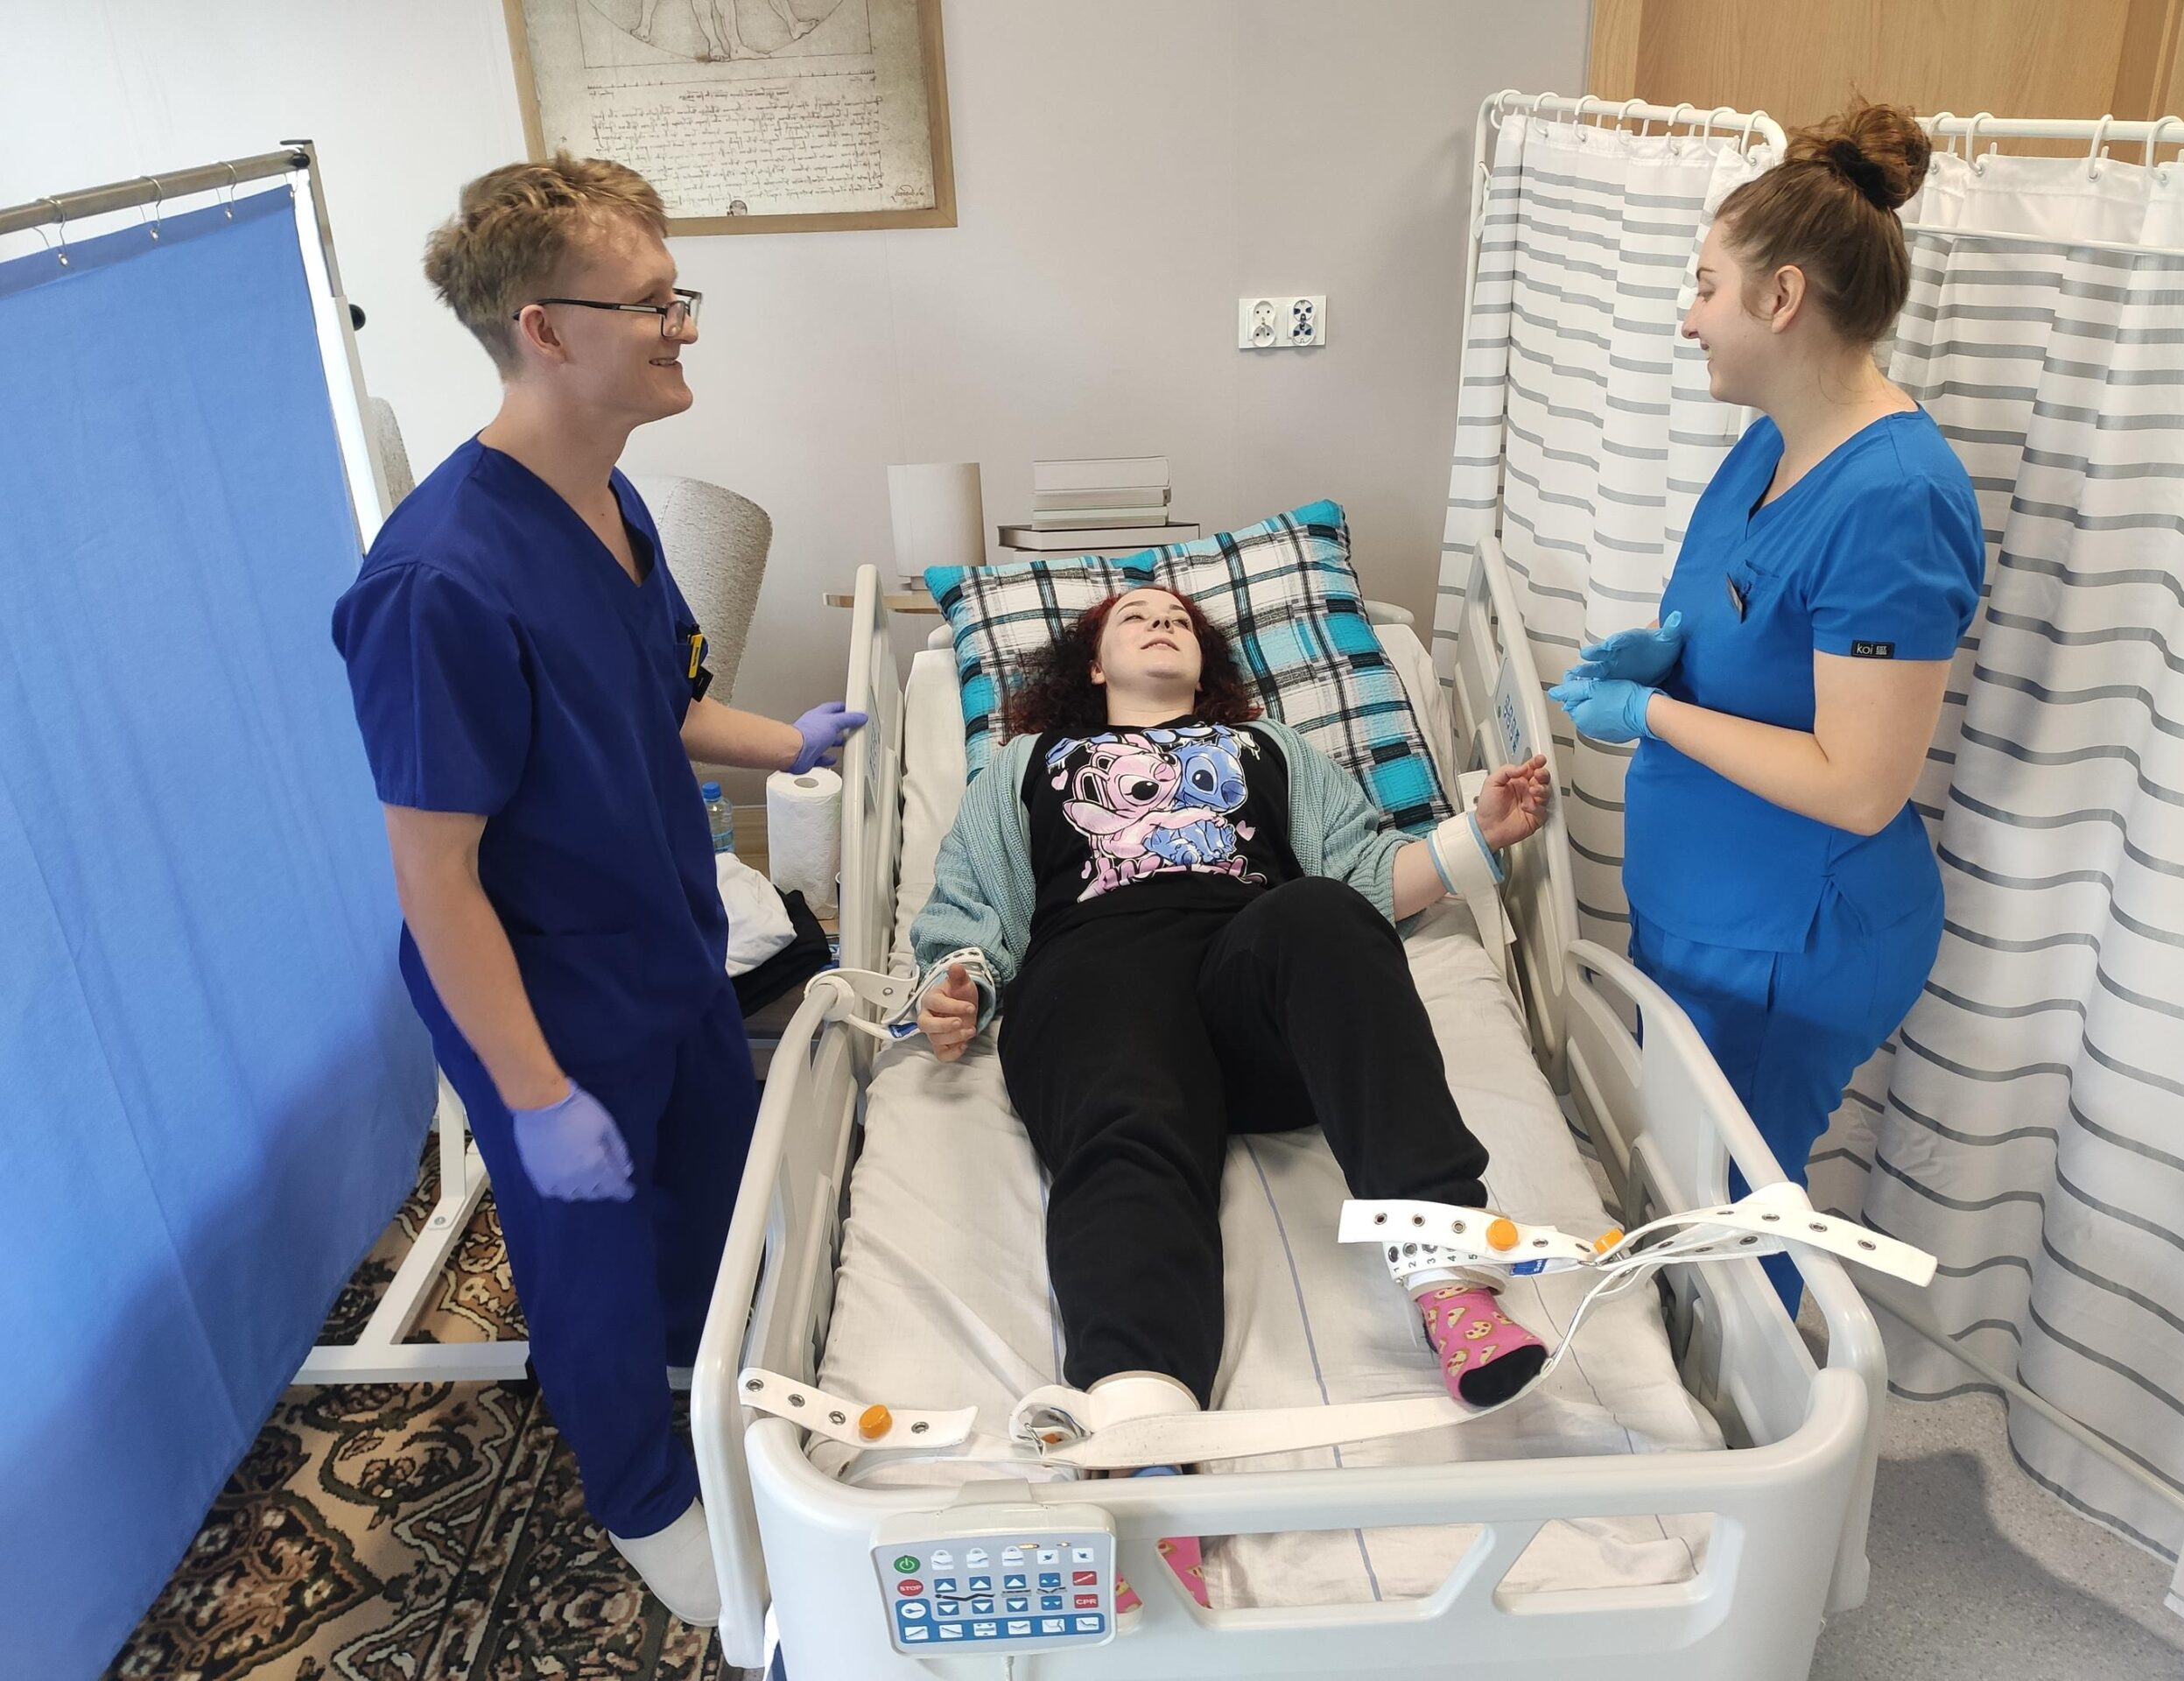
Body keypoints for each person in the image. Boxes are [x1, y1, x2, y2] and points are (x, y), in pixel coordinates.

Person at [330, 155, 864, 1624]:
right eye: (652, 304)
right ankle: (641, 1496)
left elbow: (660, 700)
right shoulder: (437, 583)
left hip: (667, 946)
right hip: (546, 994)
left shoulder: (610, 504)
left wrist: (793, 740)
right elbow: (435, 877)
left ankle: (714, 1397)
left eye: (679, 296)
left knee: (717, 1207)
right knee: (593, 1267)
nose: (682, 327)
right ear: (546, 330)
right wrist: (536, 1094)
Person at [909, 583, 1554, 1606]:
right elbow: (969, 911)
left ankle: (1449, 1283)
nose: (1161, 623)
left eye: (1179, 619)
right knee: (1128, 1119)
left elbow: (1367, 877)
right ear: (1093, 665)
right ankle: (1145, 1449)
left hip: (1250, 985)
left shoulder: (1273, 750)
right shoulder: (1024, 764)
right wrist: (956, 989)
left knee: (1320, 910)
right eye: (1134, 618)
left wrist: (1478, 835)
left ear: (1206, 664)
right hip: (1097, 973)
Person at [1549, 102, 1984, 1315]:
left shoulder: (1893, 500)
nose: (1687, 317)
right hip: (1708, 906)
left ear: (1781, 297)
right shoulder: (1770, 442)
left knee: (1736, 1241)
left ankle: (1734, 1431)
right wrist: (1669, 658)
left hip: (1791, 937)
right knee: (1683, 1196)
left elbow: (1861, 783)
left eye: (1705, 287)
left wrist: (1654, 716)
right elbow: (1759, 622)